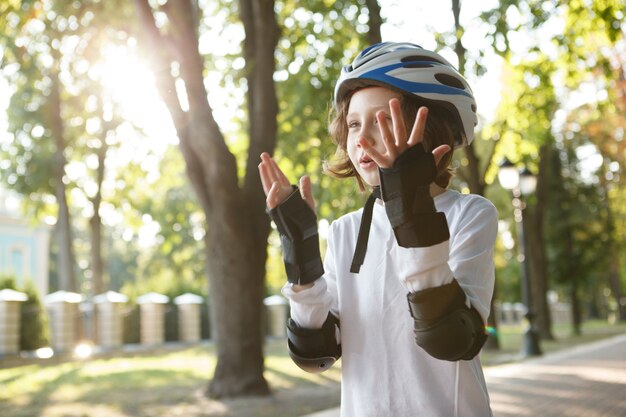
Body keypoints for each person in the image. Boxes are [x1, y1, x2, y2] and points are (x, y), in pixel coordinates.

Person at [258, 42, 497, 417]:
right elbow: (316, 353)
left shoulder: (471, 213)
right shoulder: (345, 231)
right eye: (353, 123)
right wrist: (301, 256)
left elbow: (453, 338)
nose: (362, 138)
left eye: (383, 119)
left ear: (431, 130)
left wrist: (411, 207)